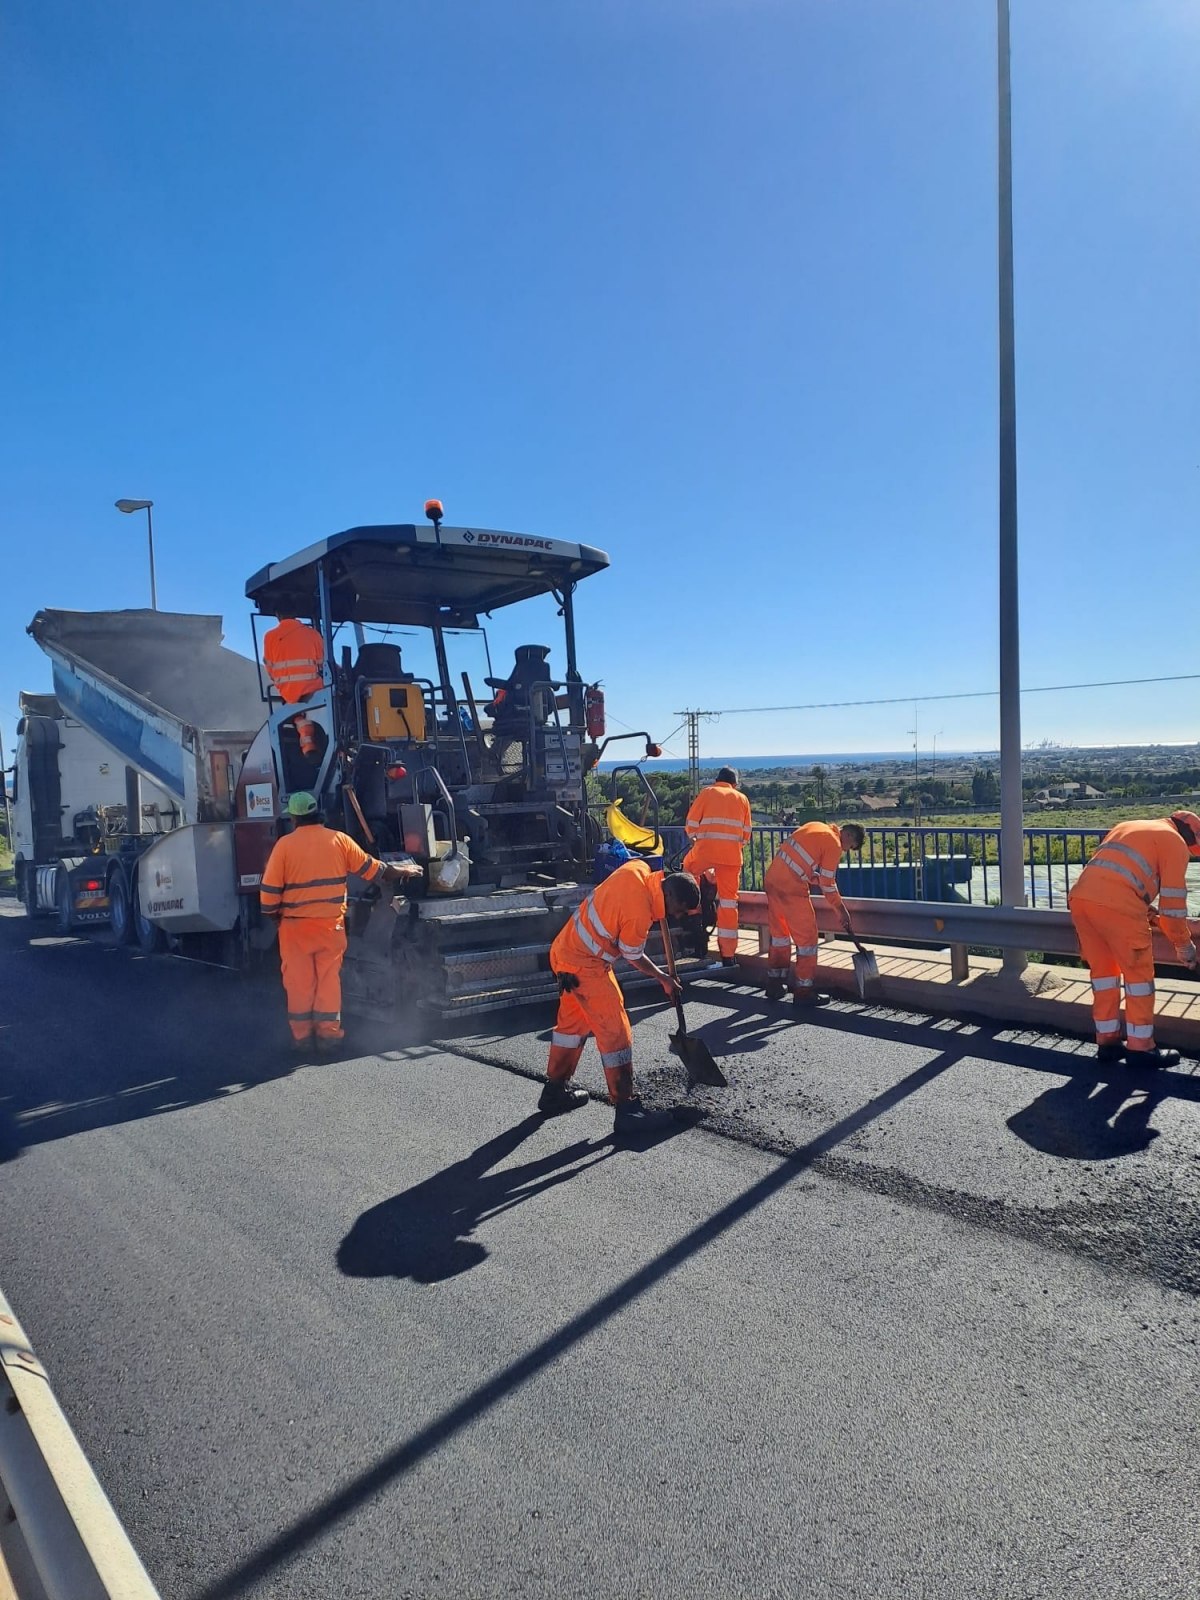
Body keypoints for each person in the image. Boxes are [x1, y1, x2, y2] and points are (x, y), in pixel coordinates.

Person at [539, 859, 701, 1135]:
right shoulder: (638, 913)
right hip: (585, 965)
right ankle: (627, 1111)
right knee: (617, 1032)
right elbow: (632, 954)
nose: (677, 916)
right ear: (669, 895)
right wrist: (664, 978)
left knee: (572, 1027)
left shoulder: (637, 869)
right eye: (678, 909)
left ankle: (554, 1092)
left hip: (564, 954)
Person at [259, 791, 421, 1052]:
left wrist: (274, 918)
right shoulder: (339, 840)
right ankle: (329, 1037)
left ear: (293, 818)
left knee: (299, 983)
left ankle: (302, 1039)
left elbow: (268, 893)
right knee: (328, 980)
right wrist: (405, 869)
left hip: (295, 928)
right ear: (318, 814)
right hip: (330, 926)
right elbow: (375, 870)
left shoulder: (284, 846)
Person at [1068, 811, 1200, 1068]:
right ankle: (1141, 1048)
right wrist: (1183, 944)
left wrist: (1145, 909)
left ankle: (1107, 1042)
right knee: (1138, 977)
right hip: (1118, 905)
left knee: (1104, 975)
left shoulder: (1128, 825)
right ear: (1190, 835)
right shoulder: (1174, 842)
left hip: (1081, 900)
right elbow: (1174, 905)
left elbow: (1118, 873)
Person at [763, 821, 865, 1006]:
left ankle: (775, 984)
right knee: (807, 941)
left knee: (780, 936)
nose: (846, 851)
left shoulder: (816, 826)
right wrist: (840, 909)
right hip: (791, 888)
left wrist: (809, 875)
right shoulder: (833, 843)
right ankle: (803, 991)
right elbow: (828, 883)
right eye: (850, 847)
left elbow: (796, 857)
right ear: (848, 835)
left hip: (772, 880)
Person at [683, 766, 753, 967]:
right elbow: (746, 835)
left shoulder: (708, 793)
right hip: (732, 858)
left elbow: (691, 825)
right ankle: (728, 956)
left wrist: (698, 839)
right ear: (735, 784)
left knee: (688, 875)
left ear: (717, 780)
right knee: (729, 903)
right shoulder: (742, 799)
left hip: (705, 853)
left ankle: (695, 922)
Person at [262, 615, 326, 759]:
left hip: (289, 694)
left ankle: (308, 745)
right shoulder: (313, 634)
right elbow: (323, 663)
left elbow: (270, 668)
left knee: (299, 717)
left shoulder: (270, 637)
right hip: (315, 690)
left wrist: (283, 684)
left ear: (278, 615)